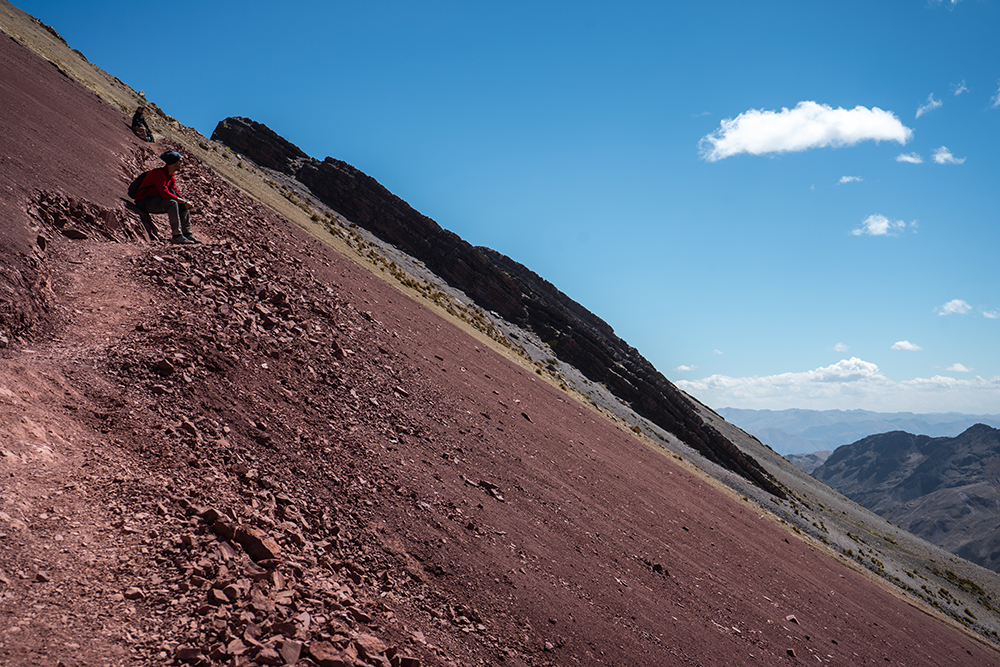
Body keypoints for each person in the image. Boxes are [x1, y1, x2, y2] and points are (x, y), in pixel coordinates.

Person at [133, 151, 202, 244]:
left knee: (181, 204)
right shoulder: (158, 173)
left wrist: (185, 202)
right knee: (172, 203)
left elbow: (175, 192)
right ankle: (176, 235)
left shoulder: (170, 176)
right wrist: (183, 201)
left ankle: (187, 234)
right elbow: (164, 193)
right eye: (180, 161)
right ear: (174, 163)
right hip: (144, 201)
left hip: (154, 201)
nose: (182, 163)